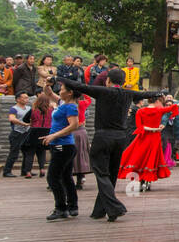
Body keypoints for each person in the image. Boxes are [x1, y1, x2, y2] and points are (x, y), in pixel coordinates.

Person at [59, 68, 162, 221]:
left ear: (108, 80)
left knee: (101, 173)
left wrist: (57, 78)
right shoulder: (129, 93)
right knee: (111, 174)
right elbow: (146, 94)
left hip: (103, 136)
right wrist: (161, 92)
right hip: (120, 138)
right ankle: (99, 211)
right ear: (124, 82)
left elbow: (79, 86)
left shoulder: (103, 91)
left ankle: (115, 208)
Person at [41, 82, 82, 220]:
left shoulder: (70, 106)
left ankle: (61, 208)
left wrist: (54, 135)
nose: (60, 90)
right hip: (61, 145)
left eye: (63, 89)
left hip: (63, 146)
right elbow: (48, 93)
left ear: (69, 93)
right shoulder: (62, 102)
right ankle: (72, 206)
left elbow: (74, 125)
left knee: (52, 177)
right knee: (65, 177)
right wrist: (47, 83)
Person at [119, 98, 179, 191]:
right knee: (151, 158)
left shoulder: (140, 111)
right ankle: (147, 180)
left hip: (142, 138)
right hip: (154, 138)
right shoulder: (159, 110)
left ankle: (141, 180)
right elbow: (176, 106)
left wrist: (151, 129)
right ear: (157, 101)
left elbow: (140, 127)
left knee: (140, 158)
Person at [22, 87, 54, 179]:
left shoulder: (33, 110)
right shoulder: (51, 110)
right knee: (42, 152)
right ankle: (42, 169)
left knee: (30, 153)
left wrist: (31, 122)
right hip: (47, 131)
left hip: (34, 131)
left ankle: (28, 171)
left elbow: (25, 119)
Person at [3, 92, 32, 177]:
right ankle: (7, 171)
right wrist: (23, 124)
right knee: (14, 153)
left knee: (27, 153)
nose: (27, 99)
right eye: (25, 98)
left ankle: (25, 170)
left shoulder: (29, 108)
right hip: (17, 133)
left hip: (26, 133)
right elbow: (12, 119)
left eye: (27, 98)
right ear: (18, 99)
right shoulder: (14, 109)